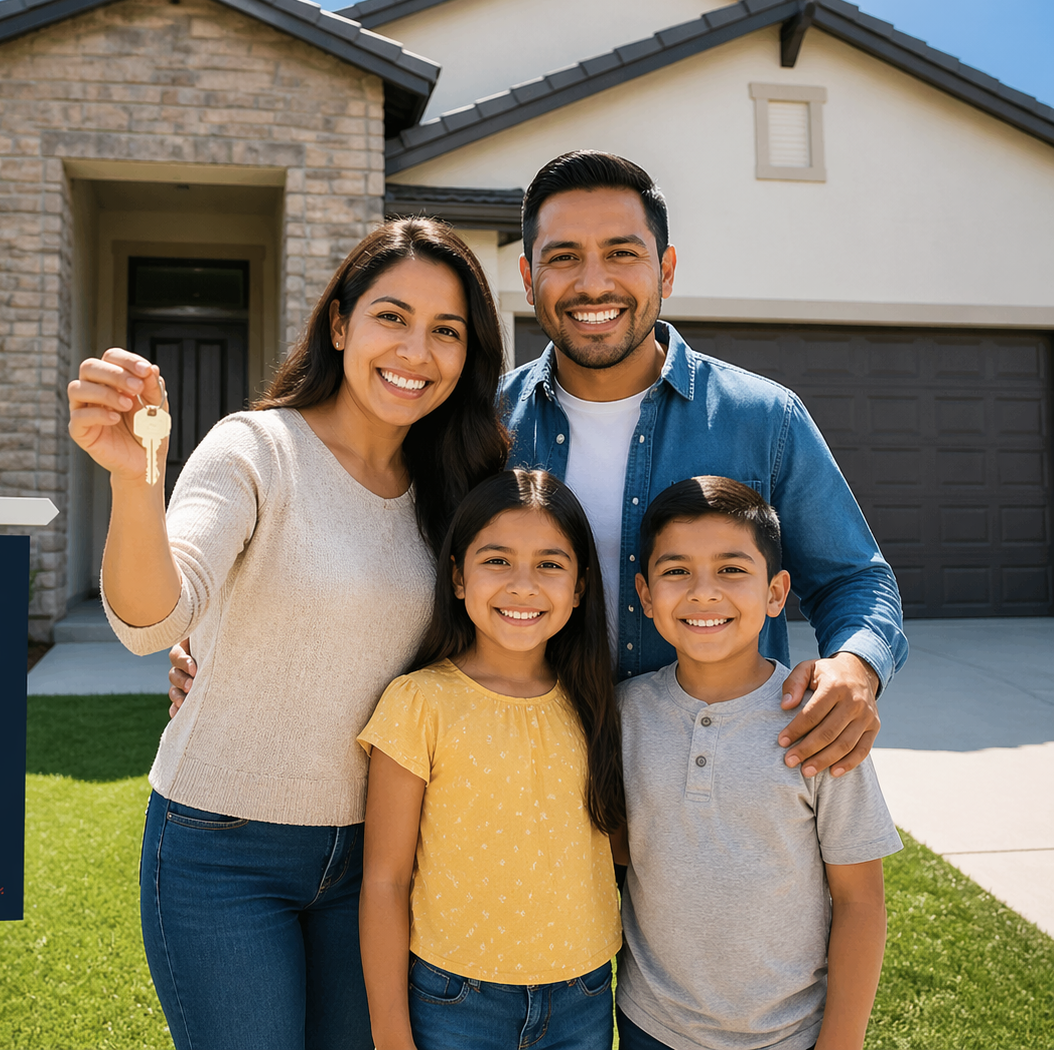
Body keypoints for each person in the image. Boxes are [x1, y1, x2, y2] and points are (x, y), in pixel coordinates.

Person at [172, 151, 905, 780]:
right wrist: (215, 646)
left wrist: (855, 667)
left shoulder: (763, 419)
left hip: (709, 788)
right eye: (563, 258)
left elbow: (855, 579)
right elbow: (378, 556)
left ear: (666, 269)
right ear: (528, 276)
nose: (593, 284)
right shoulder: (474, 426)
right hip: (519, 785)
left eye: (622, 253)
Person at [66, 218, 509, 1050]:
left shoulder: (459, 488)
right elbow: (154, 618)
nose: (416, 350)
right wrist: (137, 482)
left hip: (378, 860)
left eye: (446, 331)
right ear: (339, 325)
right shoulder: (256, 449)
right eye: (391, 317)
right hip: (221, 850)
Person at [614, 476, 901, 1050]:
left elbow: (860, 899)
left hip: (789, 1033)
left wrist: (840, 1042)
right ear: (645, 595)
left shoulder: (819, 722)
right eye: (676, 572)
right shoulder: (624, 712)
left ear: (775, 593)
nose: (703, 592)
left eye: (731, 569)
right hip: (650, 1025)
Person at [359, 469, 624, 1050]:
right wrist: (390, 1034)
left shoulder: (599, 703)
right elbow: (384, 879)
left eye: (551, 565)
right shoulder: (418, 703)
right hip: (453, 1000)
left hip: (581, 997)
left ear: (580, 587)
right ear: (457, 577)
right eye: (497, 561)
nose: (523, 586)